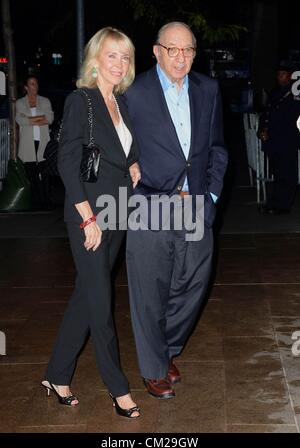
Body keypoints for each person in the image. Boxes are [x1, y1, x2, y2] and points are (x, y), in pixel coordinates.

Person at [123, 22, 228, 399]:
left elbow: (217, 147)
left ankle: (164, 349)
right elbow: (109, 138)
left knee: (192, 286)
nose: (180, 57)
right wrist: (127, 169)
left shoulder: (209, 89)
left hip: (196, 205)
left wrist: (211, 197)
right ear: (156, 51)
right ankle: (153, 367)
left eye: (188, 50)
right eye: (172, 49)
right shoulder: (133, 91)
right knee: (149, 290)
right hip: (151, 204)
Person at [42, 27, 141, 418]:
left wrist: (133, 163)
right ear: (95, 60)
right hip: (89, 215)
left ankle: (56, 374)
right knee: (101, 301)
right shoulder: (80, 100)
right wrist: (87, 220)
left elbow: (122, 150)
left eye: (126, 57)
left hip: (118, 209)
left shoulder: (121, 102)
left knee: (87, 295)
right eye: (112, 55)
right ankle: (118, 388)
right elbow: (68, 161)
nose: (120, 64)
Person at [258, 62, 300, 214]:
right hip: (274, 140)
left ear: (289, 76)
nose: (279, 77)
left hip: (286, 140)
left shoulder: (294, 95)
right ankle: (274, 203)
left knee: (286, 174)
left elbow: (291, 118)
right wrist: (262, 130)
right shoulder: (276, 92)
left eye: (282, 74)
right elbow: (266, 114)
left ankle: (283, 205)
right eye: (278, 74)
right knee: (277, 174)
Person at [16, 76, 54, 208]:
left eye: (36, 83)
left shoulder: (45, 101)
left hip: (42, 141)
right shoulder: (20, 103)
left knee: (44, 173)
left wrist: (30, 119)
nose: (35, 86)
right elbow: (20, 121)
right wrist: (39, 118)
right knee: (31, 174)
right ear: (26, 87)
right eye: (32, 84)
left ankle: (46, 200)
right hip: (28, 143)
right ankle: (34, 201)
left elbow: (49, 119)